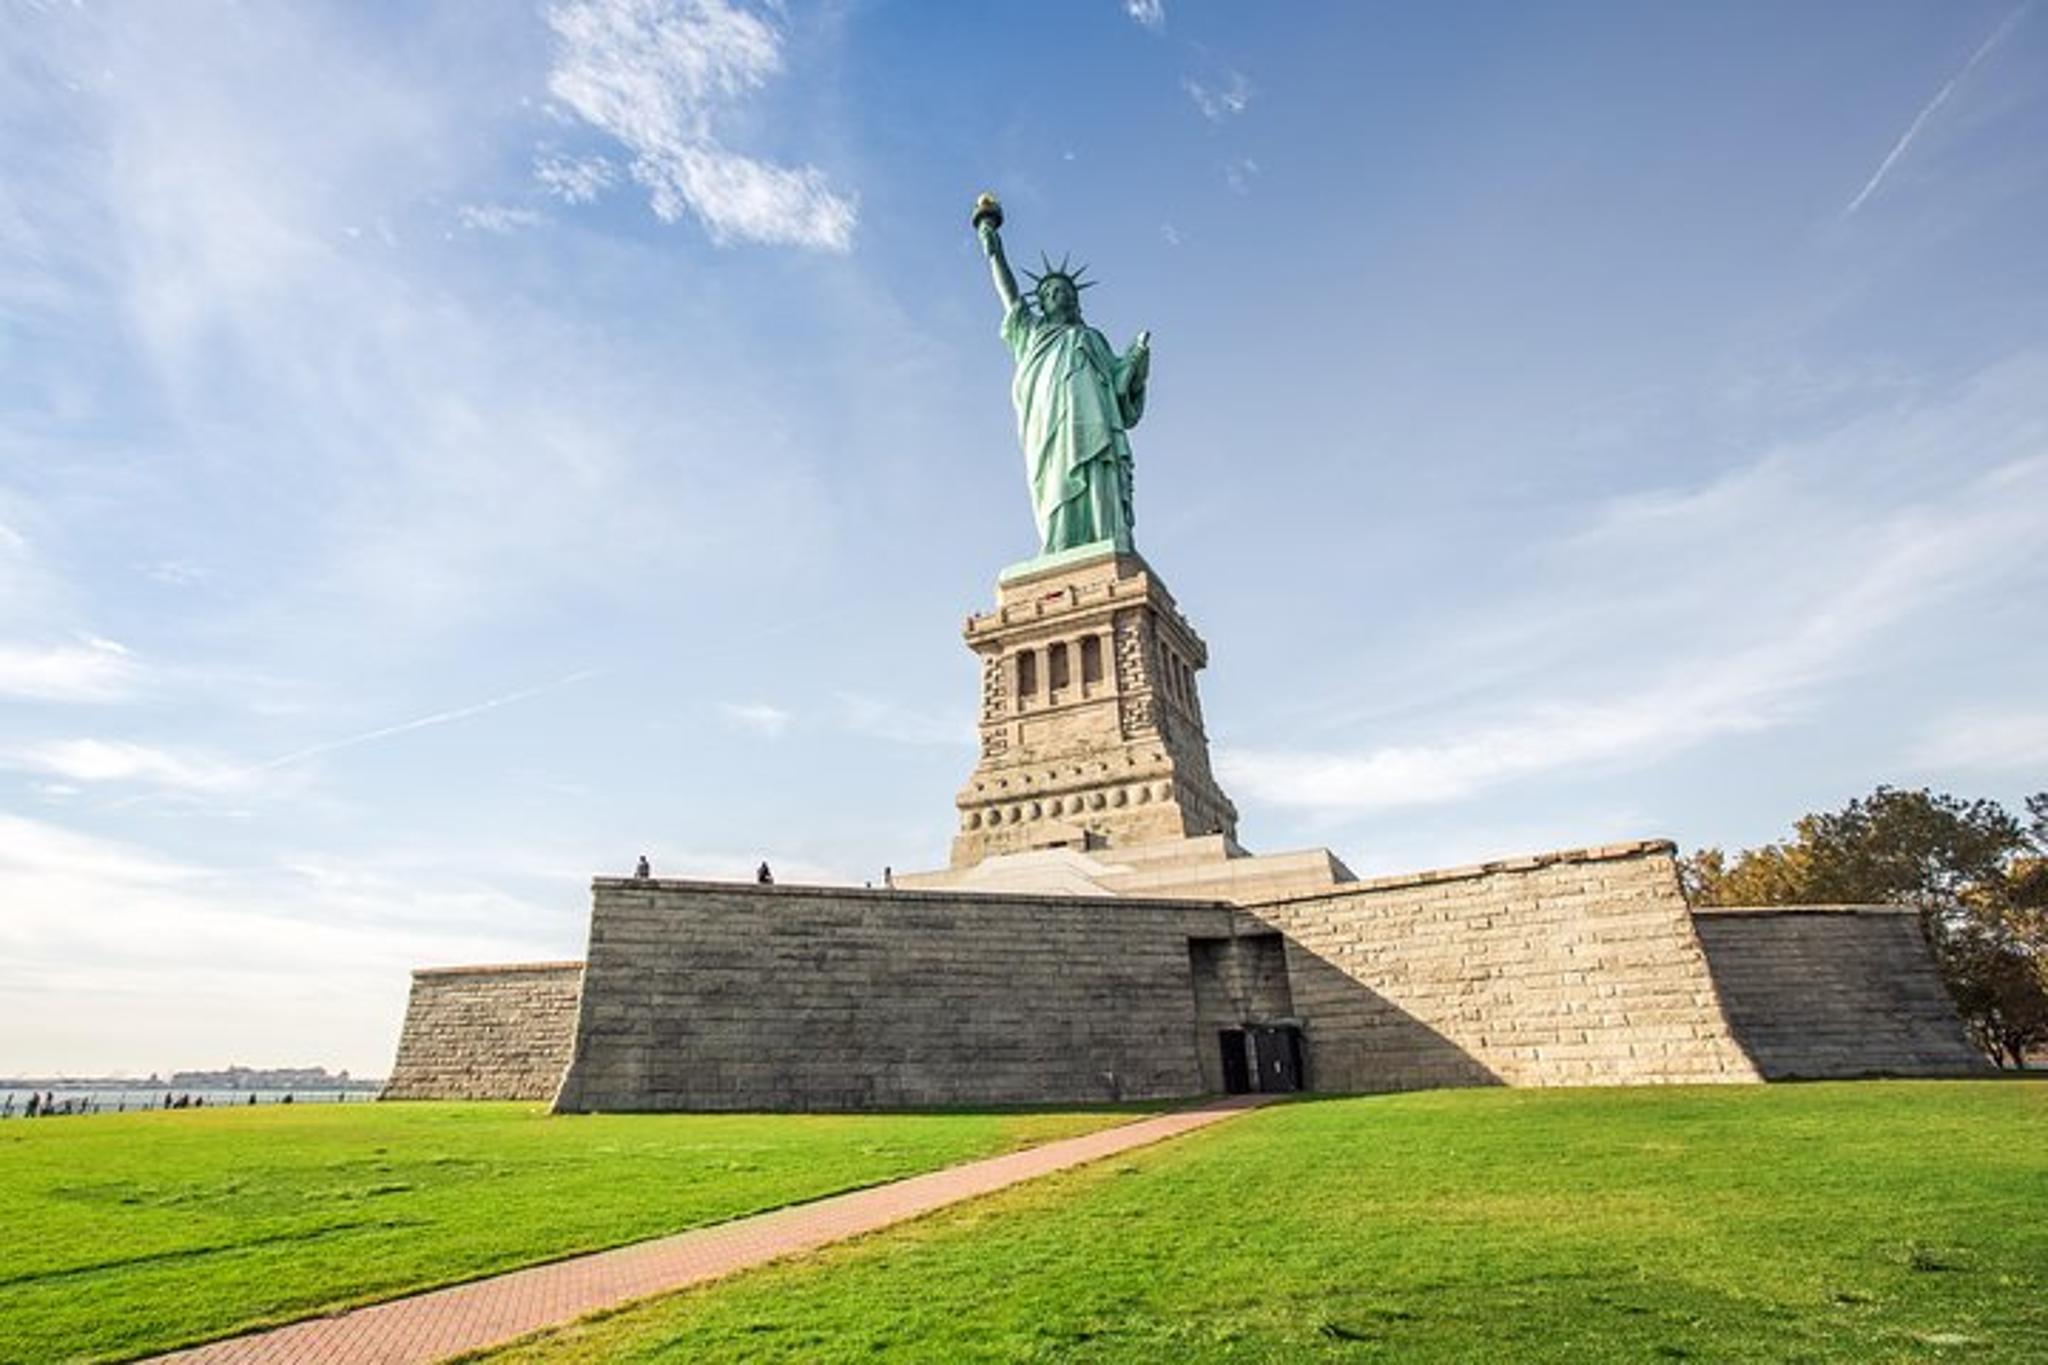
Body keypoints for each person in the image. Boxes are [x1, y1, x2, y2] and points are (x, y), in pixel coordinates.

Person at [973, 193, 1150, 557]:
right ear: (1041, 301)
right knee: (1055, 477)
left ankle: (1105, 537)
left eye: (1063, 291)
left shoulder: (1091, 338)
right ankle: (1061, 543)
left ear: (1075, 299)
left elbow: (1120, 390)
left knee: (1099, 470)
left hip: (1095, 424)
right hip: (1050, 423)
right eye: (1050, 291)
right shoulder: (1031, 333)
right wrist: (993, 248)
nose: (1057, 294)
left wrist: (1135, 360)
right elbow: (1008, 293)